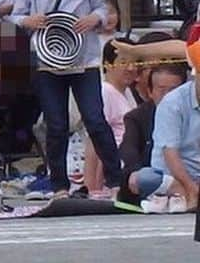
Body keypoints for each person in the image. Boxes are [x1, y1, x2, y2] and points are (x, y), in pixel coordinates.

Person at [10, 0, 123, 199]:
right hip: (48, 59)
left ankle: (116, 180)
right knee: (56, 124)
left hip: (85, 59)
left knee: (95, 120)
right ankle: (59, 185)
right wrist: (29, 20)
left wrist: (93, 18)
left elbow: (103, 9)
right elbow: (16, 14)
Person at [132, 44, 200, 212]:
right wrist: (190, 187)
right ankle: (183, 193)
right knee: (142, 179)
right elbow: (170, 154)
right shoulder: (173, 102)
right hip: (172, 177)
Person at [118, 62, 187, 204]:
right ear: (150, 91)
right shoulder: (136, 117)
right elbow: (129, 148)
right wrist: (135, 171)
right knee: (142, 178)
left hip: (189, 174)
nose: (168, 97)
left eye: (173, 91)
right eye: (162, 90)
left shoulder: (192, 112)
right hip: (156, 179)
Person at [82, 39, 140, 196]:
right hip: (113, 167)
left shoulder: (127, 92)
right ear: (107, 64)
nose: (131, 68)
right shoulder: (104, 92)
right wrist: (92, 186)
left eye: (135, 62)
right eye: (123, 62)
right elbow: (95, 141)